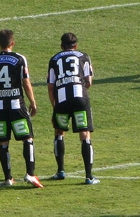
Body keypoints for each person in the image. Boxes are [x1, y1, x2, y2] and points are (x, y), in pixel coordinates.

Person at [0, 29, 43, 188]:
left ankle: (8, 178)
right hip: (17, 106)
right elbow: (26, 82)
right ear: (12, 43)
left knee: (3, 143)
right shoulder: (20, 59)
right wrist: (33, 102)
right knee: (27, 138)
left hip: (0, 108)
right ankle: (30, 174)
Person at [47, 32, 99, 185]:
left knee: (59, 132)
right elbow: (89, 81)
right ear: (76, 46)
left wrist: (55, 107)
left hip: (61, 100)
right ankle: (89, 176)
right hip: (80, 98)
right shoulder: (84, 56)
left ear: (61, 46)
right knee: (84, 133)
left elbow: (51, 87)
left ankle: (60, 171)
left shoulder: (54, 59)